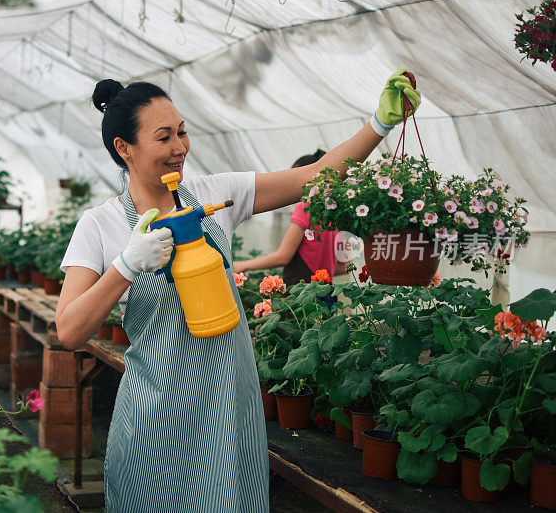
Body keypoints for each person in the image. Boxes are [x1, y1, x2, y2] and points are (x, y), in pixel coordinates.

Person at [55, 69, 420, 512]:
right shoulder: (100, 224)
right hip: (156, 417)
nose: (179, 148)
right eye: (164, 137)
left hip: (229, 411)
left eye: (183, 133)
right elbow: (70, 331)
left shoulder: (216, 194)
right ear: (124, 148)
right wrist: (126, 266)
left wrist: (379, 124)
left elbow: (318, 174)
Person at [232, 149, 347, 284]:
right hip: (327, 293)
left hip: (302, 292)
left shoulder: (306, 207)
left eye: (294, 177)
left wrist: (243, 265)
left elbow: (283, 257)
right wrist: (322, 271)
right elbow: (343, 266)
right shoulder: (335, 210)